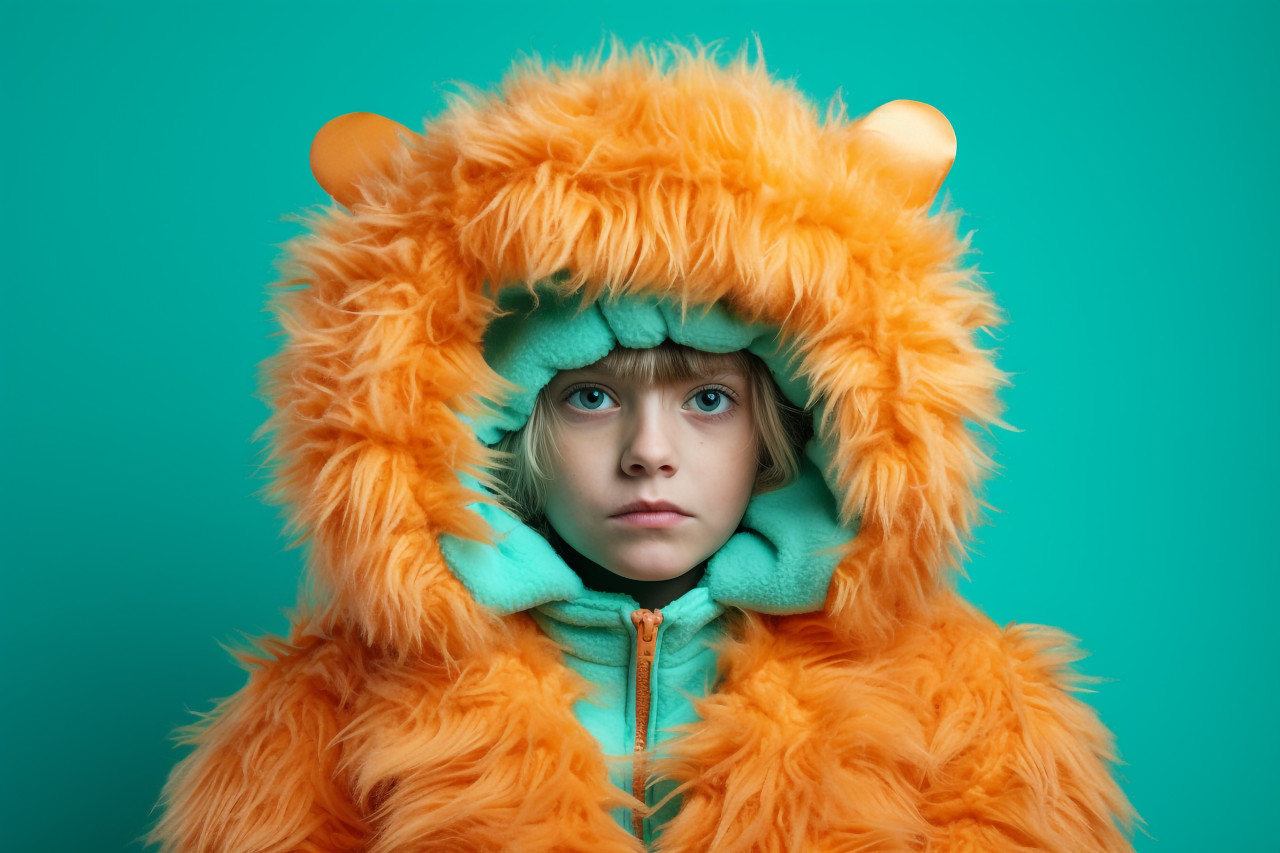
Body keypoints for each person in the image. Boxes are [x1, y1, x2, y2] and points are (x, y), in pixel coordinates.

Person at [151, 43, 1140, 851]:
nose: (648, 454)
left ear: (785, 429)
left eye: (708, 398)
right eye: (588, 397)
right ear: (496, 431)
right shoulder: (330, 710)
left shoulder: (971, 706)